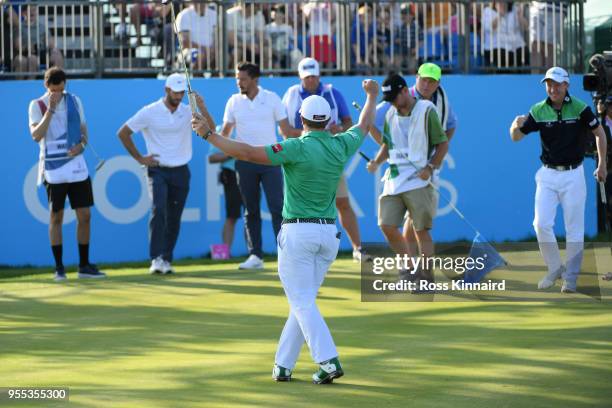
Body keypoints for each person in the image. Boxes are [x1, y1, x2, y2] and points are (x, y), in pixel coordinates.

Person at [192, 77, 379, 385]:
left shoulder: (294, 147)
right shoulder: (341, 143)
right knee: (302, 300)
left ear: (300, 119)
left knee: (302, 302)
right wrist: (371, 96)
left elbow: (249, 153)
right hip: (329, 237)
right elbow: (363, 123)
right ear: (329, 120)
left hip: (297, 235)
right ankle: (283, 365)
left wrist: (210, 135)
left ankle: (328, 360)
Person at [510, 67, 607, 293]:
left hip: (574, 174)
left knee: (574, 229)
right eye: (548, 84)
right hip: (547, 174)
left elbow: (599, 133)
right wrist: (514, 125)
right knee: (540, 224)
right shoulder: (538, 110)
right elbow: (516, 137)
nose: (552, 88)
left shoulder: (580, 109)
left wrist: (602, 164)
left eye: (556, 84)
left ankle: (570, 279)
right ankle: (555, 268)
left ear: (566, 86)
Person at [117, 73, 214, 275]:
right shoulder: (149, 112)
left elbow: (211, 130)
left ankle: (166, 258)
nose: (178, 97)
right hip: (157, 169)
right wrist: (140, 159)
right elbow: (123, 133)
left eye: (181, 93)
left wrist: (201, 106)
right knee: (158, 209)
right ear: (166, 90)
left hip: (181, 170)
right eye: (175, 93)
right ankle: (156, 258)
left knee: (174, 217)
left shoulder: (189, 111)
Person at [281, 57, 370, 262]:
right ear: (300, 77)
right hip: (300, 157)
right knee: (295, 206)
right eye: (306, 77)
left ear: (319, 75)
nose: (310, 81)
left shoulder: (332, 93)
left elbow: (349, 123)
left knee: (343, 202)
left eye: (313, 76)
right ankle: (295, 249)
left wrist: (338, 130)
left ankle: (358, 248)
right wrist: (311, 133)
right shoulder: (292, 95)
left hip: (328, 157)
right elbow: (284, 131)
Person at [369, 63, 457, 263]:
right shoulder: (391, 109)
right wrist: (378, 160)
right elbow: (387, 142)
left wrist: (431, 165)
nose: (426, 84)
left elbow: (445, 138)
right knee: (386, 225)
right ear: (415, 78)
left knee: (419, 229)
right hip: (395, 177)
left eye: (431, 81)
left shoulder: (430, 107)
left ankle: (423, 275)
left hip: (421, 176)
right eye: (423, 79)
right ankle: (409, 266)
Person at [28, 67, 105, 281]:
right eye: (54, 90)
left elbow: (84, 133)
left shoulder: (74, 101)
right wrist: (50, 110)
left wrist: (80, 147)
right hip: (53, 169)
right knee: (56, 217)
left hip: (77, 167)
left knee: (85, 216)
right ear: (47, 87)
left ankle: (84, 266)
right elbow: (36, 135)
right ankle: (59, 268)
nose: (58, 94)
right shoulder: (37, 105)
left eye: (61, 90)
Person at [221, 62, 295, 270]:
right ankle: (255, 255)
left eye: (243, 79)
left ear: (255, 80)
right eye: (237, 79)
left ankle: (286, 254)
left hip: (270, 160)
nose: (239, 83)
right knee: (250, 210)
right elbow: (225, 133)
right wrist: (211, 133)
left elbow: (286, 130)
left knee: (277, 208)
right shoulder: (233, 101)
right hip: (244, 163)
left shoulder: (271, 98)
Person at [208, 127, 244, 256]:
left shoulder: (251, 126)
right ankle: (224, 254)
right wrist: (232, 153)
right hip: (231, 175)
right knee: (232, 215)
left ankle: (254, 253)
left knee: (252, 214)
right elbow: (212, 158)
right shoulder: (221, 130)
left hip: (251, 173)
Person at [176, 1, 217, 71]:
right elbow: (185, 42)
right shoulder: (183, 15)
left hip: (211, 50)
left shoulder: (214, 14)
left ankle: (217, 81)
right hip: (188, 51)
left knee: (223, 56)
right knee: (200, 56)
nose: (201, 3)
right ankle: (197, 80)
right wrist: (205, 49)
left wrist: (214, 49)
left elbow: (218, 37)